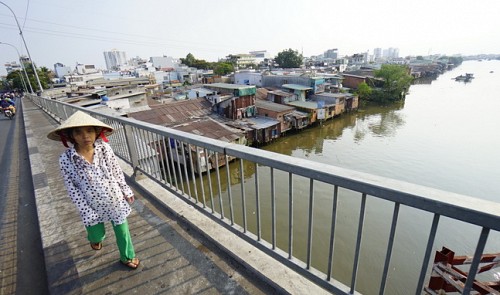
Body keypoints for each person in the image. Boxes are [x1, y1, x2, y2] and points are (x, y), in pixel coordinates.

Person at [47, 111, 140, 269]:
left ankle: (127, 257)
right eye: (78, 132)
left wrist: (126, 190)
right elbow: (72, 188)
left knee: (123, 231)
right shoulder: (66, 159)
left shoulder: (105, 149)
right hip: (90, 205)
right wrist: (85, 210)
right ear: (71, 136)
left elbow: (116, 171)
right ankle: (95, 239)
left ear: (96, 132)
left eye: (89, 131)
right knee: (96, 234)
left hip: (114, 199)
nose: (85, 136)